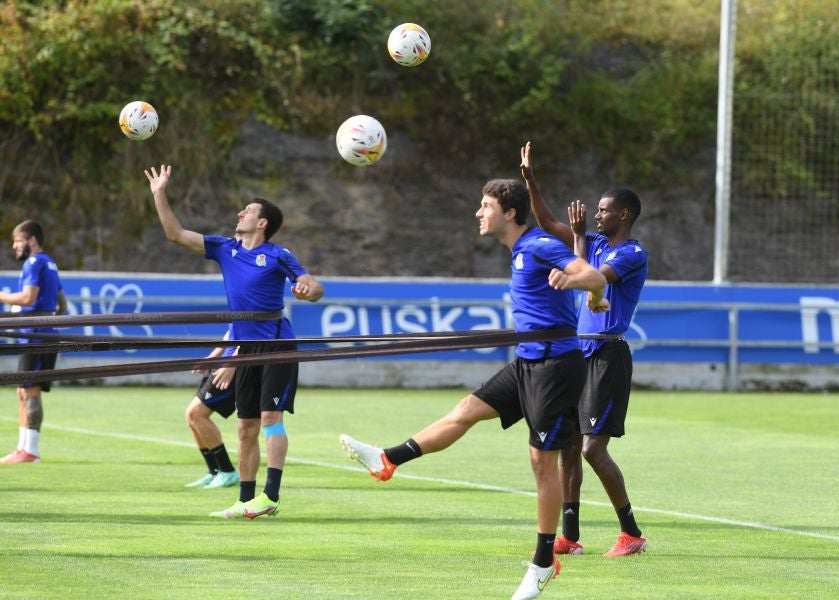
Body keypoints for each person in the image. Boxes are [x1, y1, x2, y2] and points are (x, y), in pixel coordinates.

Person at [339, 178, 609, 600]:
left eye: (485, 205)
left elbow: (592, 273)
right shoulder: (520, 251)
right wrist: (593, 298)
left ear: (510, 213)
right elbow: (595, 288)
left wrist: (578, 285)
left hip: (556, 367)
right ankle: (387, 459)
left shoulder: (538, 245)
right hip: (528, 361)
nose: (478, 213)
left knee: (542, 461)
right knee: (466, 409)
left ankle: (543, 563)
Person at [145, 164, 324, 519]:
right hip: (244, 351)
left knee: (271, 418)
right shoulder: (224, 248)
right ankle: (245, 500)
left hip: (276, 347)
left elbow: (314, 286)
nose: (240, 212)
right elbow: (176, 234)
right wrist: (159, 194)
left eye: (248, 210)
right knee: (245, 427)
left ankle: (269, 497)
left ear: (262, 223)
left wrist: (308, 291)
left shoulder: (277, 255)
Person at [520, 141, 648, 558]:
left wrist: (574, 252)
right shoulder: (590, 241)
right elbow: (547, 221)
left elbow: (595, 279)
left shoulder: (631, 252)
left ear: (624, 215)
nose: (597, 214)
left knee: (594, 447)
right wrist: (530, 182)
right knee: (569, 447)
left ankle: (631, 533)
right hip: (579, 353)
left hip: (608, 355)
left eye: (605, 209)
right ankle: (570, 538)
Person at [0, 220, 67, 464]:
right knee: (23, 390)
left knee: (30, 391)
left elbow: (28, 298)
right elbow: (63, 304)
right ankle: (22, 448)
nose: (14, 246)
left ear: (31, 240)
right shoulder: (50, 262)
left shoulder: (33, 262)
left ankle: (31, 451)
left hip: (35, 334)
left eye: (17, 241)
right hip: (42, 332)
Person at [183, 325, 240, 489]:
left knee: (196, 414)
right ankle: (215, 471)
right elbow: (230, 336)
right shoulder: (237, 304)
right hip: (223, 365)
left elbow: (250, 340)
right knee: (190, 415)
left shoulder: (251, 302)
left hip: (232, 370)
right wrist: (211, 358)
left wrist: (231, 364)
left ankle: (227, 471)